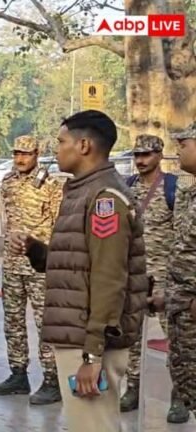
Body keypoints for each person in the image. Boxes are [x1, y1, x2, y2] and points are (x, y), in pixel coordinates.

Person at [12, 110, 147, 432]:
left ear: (84, 145)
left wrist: (92, 355)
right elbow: (79, 262)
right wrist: (37, 250)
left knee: (94, 425)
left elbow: (108, 277)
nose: (56, 150)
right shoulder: (82, 191)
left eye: (61, 142)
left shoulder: (104, 199)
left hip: (89, 341)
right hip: (80, 335)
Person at [0, 135, 64, 405]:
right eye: (17, 153)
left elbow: (58, 225)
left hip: (39, 264)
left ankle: (52, 379)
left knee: (45, 323)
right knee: (13, 321)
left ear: (37, 154)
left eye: (26, 154)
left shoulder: (51, 185)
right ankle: (18, 374)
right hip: (12, 264)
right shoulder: (8, 182)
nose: (20, 159)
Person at [119, 134, 187, 422]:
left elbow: (184, 235)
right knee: (131, 338)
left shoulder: (173, 188)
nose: (140, 161)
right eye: (136, 155)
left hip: (165, 278)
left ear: (159, 155)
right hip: (134, 275)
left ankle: (180, 396)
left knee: (176, 339)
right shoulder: (127, 188)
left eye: (146, 155)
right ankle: (132, 388)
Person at [151, 123, 196, 421]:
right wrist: (168, 295)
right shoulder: (189, 192)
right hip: (181, 307)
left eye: (184, 143)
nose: (178, 148)